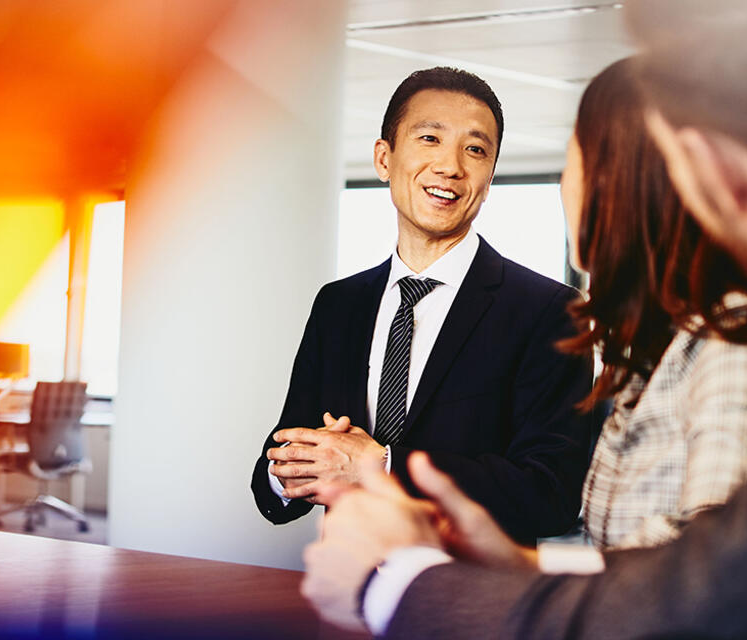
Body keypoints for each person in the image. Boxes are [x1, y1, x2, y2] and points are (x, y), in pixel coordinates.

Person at [301, 0, 747, 637]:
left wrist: (402, 583)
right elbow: (707, 562)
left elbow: (725, 588)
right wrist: (515, 559)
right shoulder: (662, 354)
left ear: (693, 167)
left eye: (572, 158)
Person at [250, 66, 593, 543]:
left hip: (472, 604)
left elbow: (551, 495)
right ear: (384, 158)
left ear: (489, 175)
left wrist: (384, 467)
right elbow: (280, 461)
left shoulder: (547, 311)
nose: (450, 166)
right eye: (429, 138)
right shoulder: (339, 305)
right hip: (345, 588)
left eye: (475, 149)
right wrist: (291, 471)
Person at [557, 59, 747, 552]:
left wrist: (515, 571)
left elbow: (715, 558)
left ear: (624, 179)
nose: (565, 184)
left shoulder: (738, 335)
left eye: (576, 159)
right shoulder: (656, 347)